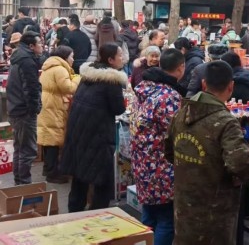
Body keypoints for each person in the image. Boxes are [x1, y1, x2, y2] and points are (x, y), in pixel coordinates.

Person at [165, 61, 249, 245]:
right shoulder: (226, 122)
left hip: (184, 207)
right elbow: (242, 166)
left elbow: (169, 152)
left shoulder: (181, 113)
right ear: (231, 86)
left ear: (204, 84)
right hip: (215, 214)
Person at [61, 43, 127, 211]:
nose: (123, 58)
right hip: (97, 136)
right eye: (120, 55)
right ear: (110, 60)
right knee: (103, 181)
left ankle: (73, 215)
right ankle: (97, 216)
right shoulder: (112, 81)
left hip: (78, 132)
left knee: (80, 177)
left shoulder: (88, 75)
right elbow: (118, 109)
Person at [131, 49, 185, 244]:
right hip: (162, 167)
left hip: (142, 163)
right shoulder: (169, 96)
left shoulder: (145, 88)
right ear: (181, 68)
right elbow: (177, 133)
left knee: (149, 216)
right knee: (166, 220)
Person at [38, 46, 80, 183]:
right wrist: (77, 79)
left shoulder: (50, 66)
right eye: (72, 56)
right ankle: (52, 174)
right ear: (65, 57)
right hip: (54, 106)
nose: (73, 59)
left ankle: (48, 168)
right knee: (53, 140)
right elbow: (69, 88)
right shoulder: (60, 69)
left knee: (48, 138)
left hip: (48, 104)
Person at [6, 31, 43, 185]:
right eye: (39, 43)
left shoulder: (19, 57)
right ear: (31, 46)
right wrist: (34, 109)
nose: (42, 46)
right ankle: (24, 185)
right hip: (24, 111)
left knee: (20, 148)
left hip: (16, 108)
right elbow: (31, 89)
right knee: (27, 150)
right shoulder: (27, 61)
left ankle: (20, 184)